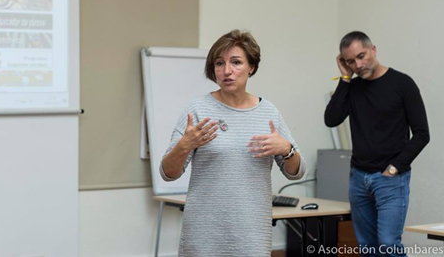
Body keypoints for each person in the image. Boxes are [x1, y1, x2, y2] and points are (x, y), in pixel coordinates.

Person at [160, 29, 306, 257]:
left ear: (252, 67)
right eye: (220, 63)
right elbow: (168, 173)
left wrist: (287, 150)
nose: (226, 71)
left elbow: (296, 173)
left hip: (252, 236)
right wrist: (184, 146)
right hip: (203, 236)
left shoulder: (268, 112)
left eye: (236, 62)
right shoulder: (197, 110)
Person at [325, 31, 430, 257]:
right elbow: (331, 119)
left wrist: (394, 168)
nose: (358, 65)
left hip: (390, 179)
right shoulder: (352, 87)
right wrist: (345, 78)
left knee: (388, 244)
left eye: (362, 56)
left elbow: (422, 134)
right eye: (351, 61)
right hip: (358, 177)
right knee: (367, 247)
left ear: (374, 49)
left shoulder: (402, 84)